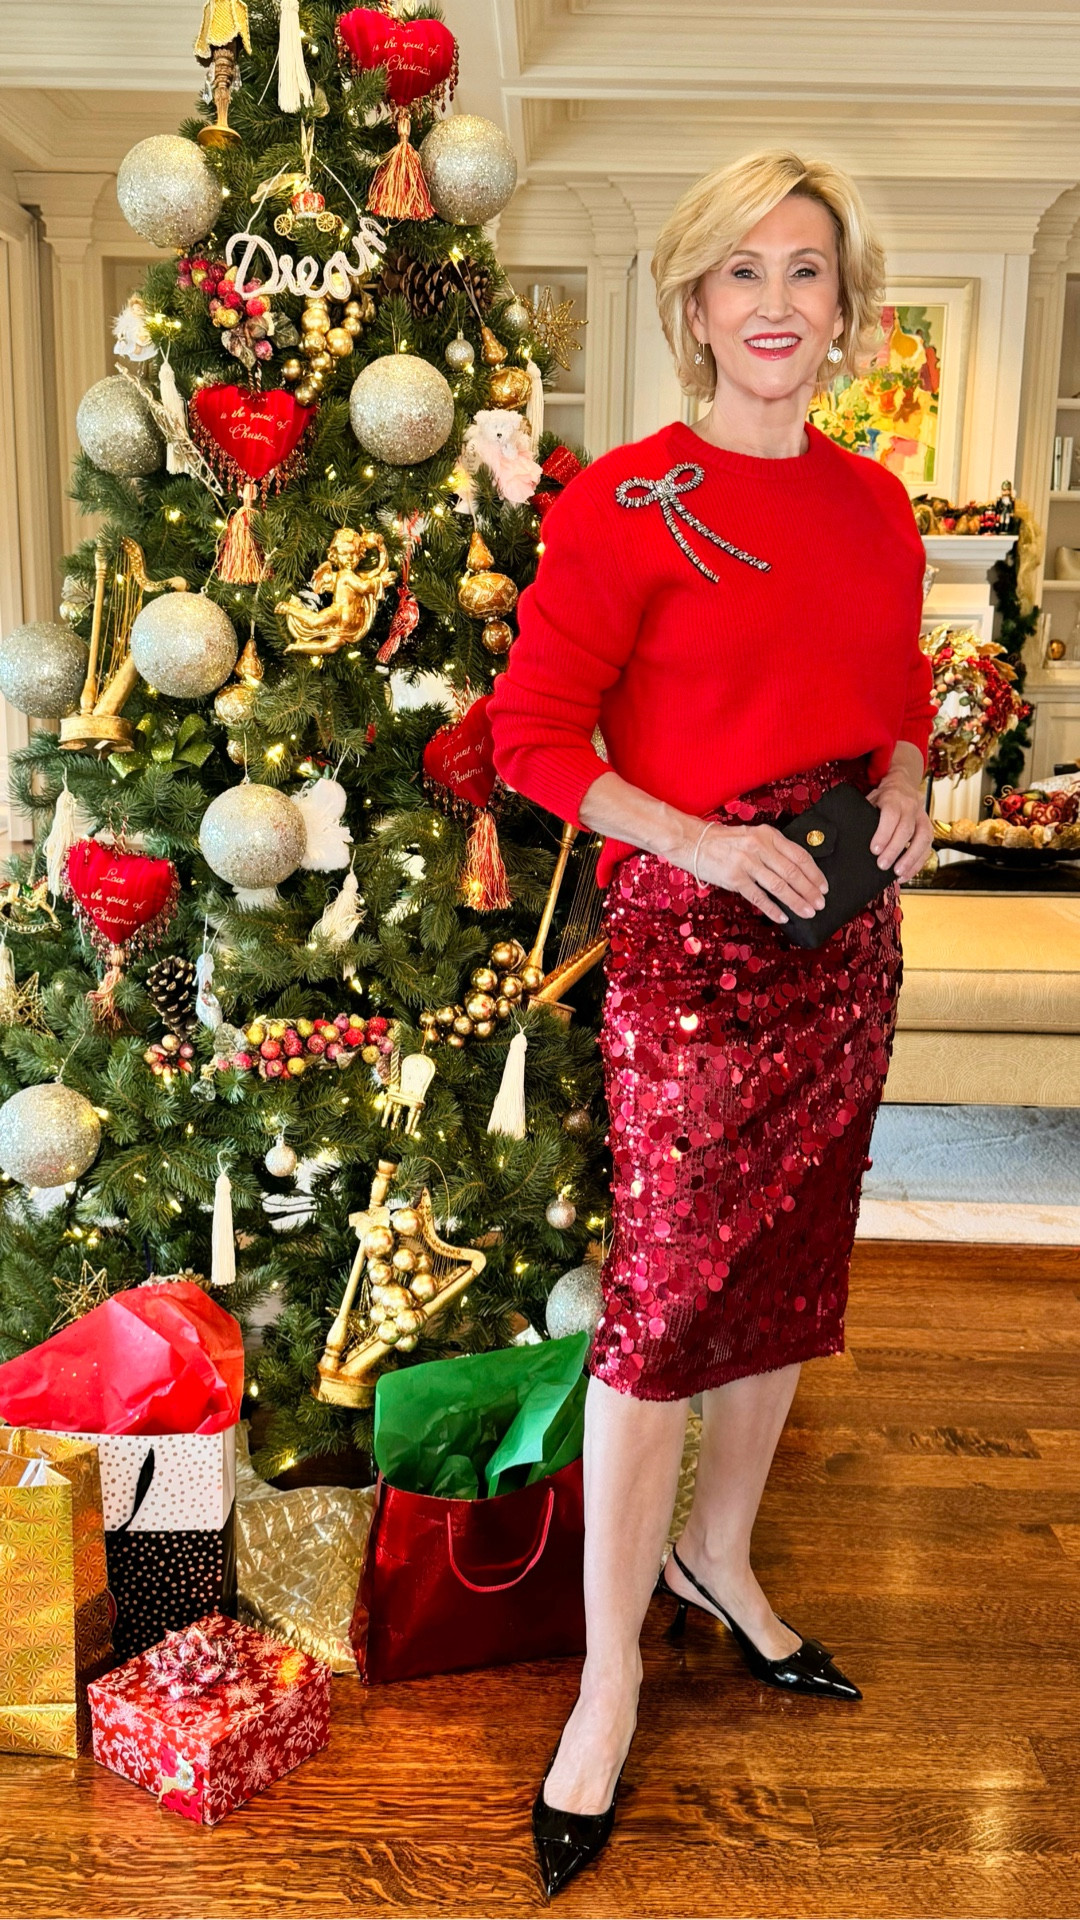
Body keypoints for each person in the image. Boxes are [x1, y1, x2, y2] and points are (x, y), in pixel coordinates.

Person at [487, 147, 936, 1899]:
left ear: (845, 312)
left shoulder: (878, 504)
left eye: (806, 271)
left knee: (786, 1276)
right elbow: (533, 736)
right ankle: (604, 1685)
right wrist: (688, 835)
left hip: (842, 932)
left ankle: (723, 1566)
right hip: (689, 948)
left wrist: (907, 766)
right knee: (667, 1304)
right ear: (692, 309)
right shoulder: (621, 503)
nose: (775, 302)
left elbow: (892, 691)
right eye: (740, 272)